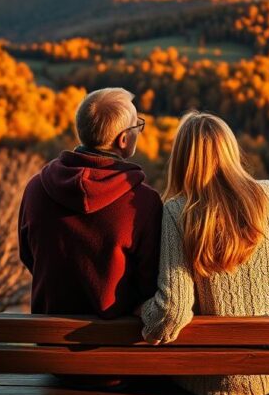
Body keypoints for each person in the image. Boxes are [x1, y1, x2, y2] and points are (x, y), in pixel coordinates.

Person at [140, 111, 269, 395]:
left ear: (182, 159)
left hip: (209, 379)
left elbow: (171, 312)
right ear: (230, 150)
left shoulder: (177, 212)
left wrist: (141, 309)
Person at [18, 87, 162, 319]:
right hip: (115, 348)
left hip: (48, 343)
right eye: (138, 126)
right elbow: (149, 282)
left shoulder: (36, 188)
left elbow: (28, 255)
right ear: (123, 139)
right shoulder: (143, 203)